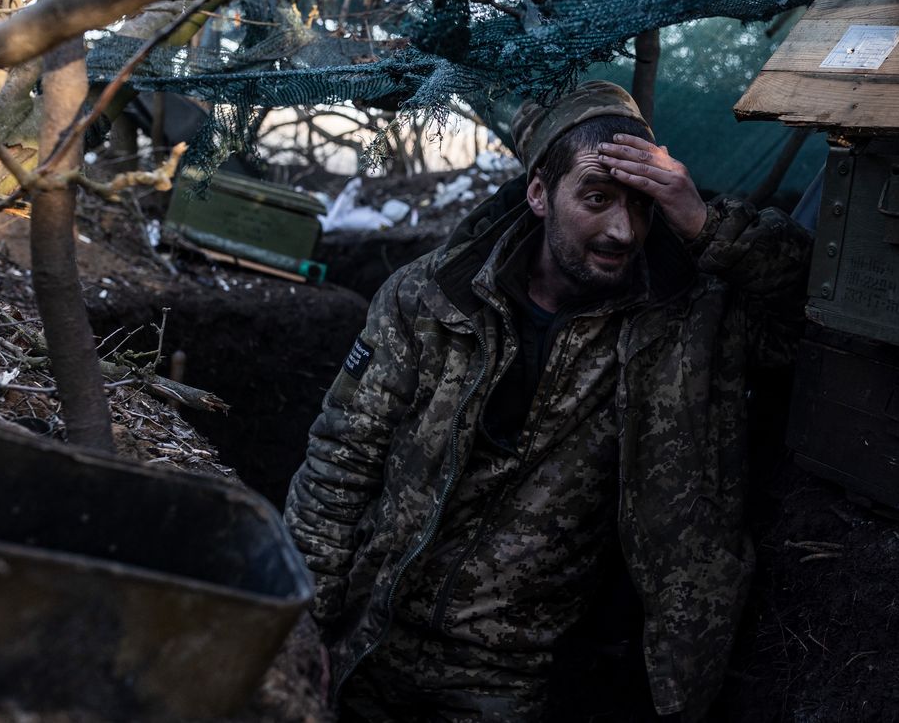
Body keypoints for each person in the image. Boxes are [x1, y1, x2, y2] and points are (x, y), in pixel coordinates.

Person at [285, 81, 812, 721]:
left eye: (641, 206)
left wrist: (704, 222)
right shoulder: (430, 298)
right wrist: (300, 619)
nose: (622, 229)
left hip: (515, 680)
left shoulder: (686, 321)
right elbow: (341, 461)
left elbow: (809, 316)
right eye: (596, 198)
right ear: (539, 193)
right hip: (372, 640)